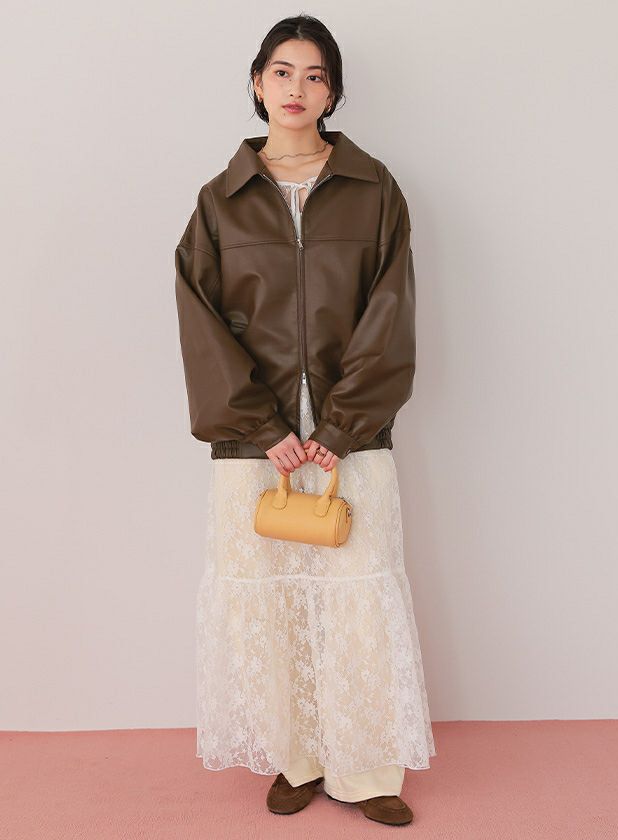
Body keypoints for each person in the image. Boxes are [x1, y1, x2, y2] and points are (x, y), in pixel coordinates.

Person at [174, 14, 436, 827]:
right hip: (257, 446)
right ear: (257, 83)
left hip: (348, 440)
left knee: (356, 599)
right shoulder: (219, 202)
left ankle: (365, 768)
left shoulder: (374, 189)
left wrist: (340, 426)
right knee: (273, 605)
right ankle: (298, 758)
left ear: (333, 91)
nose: (297, 88)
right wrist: (263, 428)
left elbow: (390, 315)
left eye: (315, 75)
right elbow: (201, 323)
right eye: (282, 72)